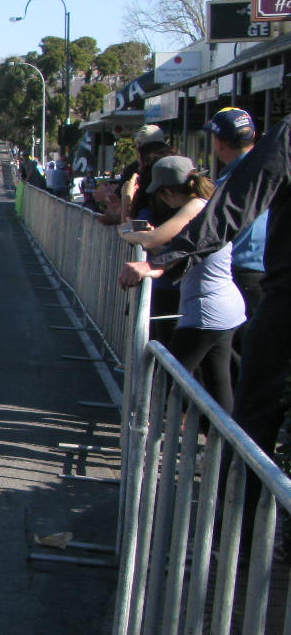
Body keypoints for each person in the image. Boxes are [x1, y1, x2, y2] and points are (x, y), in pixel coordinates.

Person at [120, 110, 291, 454]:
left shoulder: (207, 201)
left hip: (225, 304)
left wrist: (157, 264)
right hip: (234, 304)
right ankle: (218, 461)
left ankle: (168, 457)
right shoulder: (217, 188)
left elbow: (221, 222)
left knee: (233, 402)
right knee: (224, 385)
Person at [120, 155, 243, 410]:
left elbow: (151, 239)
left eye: (161, 196)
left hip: (205, 310)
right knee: (216, 385)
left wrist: (128, 230)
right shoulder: (206, 206)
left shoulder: (197, 207)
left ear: (168, 192)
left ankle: (151, 437)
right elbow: (179, 253)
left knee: (164, 381)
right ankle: (218, 448)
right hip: (222, 307)